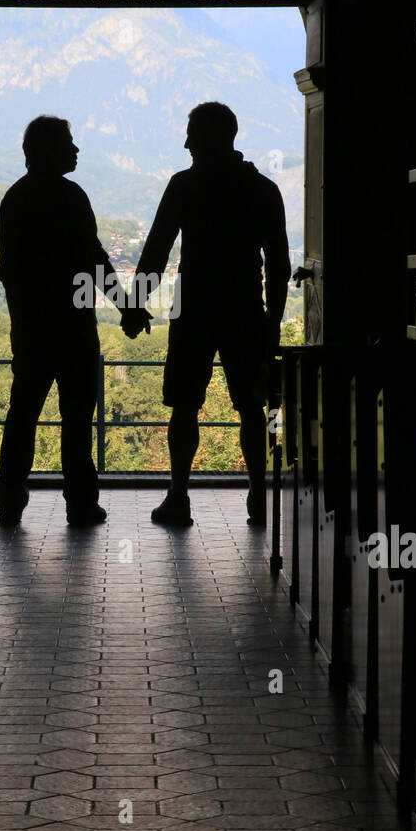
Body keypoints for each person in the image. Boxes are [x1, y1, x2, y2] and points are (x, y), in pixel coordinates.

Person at [126, 101, 290, 526]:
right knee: (252, 407)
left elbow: (157, 250)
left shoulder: (184, 186)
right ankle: (258, 493)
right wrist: (272, 326)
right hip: (245, 310)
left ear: (205, 138)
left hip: (193, 310)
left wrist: (135, 305)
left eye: (190, 135)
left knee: (184, 405)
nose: (185, 143)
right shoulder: (263, 190)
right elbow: (278, 265)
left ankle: (178, 497)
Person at [0, 115, 150, 527]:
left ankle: (9, 499)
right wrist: (127, 307)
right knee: (77, 420)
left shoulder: (14, 200)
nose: (76, 150)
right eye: (70, 143)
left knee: (22, 413)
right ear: (51, 150)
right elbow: (95, 260)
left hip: (30, 330)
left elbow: (10, 272)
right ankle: (81, 503)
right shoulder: (71, 198)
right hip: (75, 331)